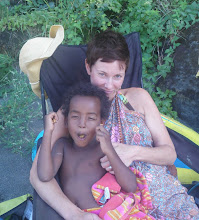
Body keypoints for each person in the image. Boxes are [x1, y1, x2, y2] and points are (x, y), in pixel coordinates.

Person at [30, 30, 199, 219]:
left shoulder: (138, 98)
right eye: (102, 74)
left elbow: (169, 154)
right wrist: (75, 215)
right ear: (88, 67)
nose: (109, 85)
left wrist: (133, 151)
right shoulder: (74, 112)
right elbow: (37, 175)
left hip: (168, 198)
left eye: (118, 76)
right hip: (118, 208)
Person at [37, 82, 155, 219]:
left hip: (112, 212)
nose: (82, 124)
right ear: (66, 121)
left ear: (101, 122)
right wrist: (48, 133)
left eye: (91, 118)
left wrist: (110, 151)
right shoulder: (62, 147)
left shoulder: (103, 147)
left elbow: (130, 186)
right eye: (75, 116)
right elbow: (44, 176)